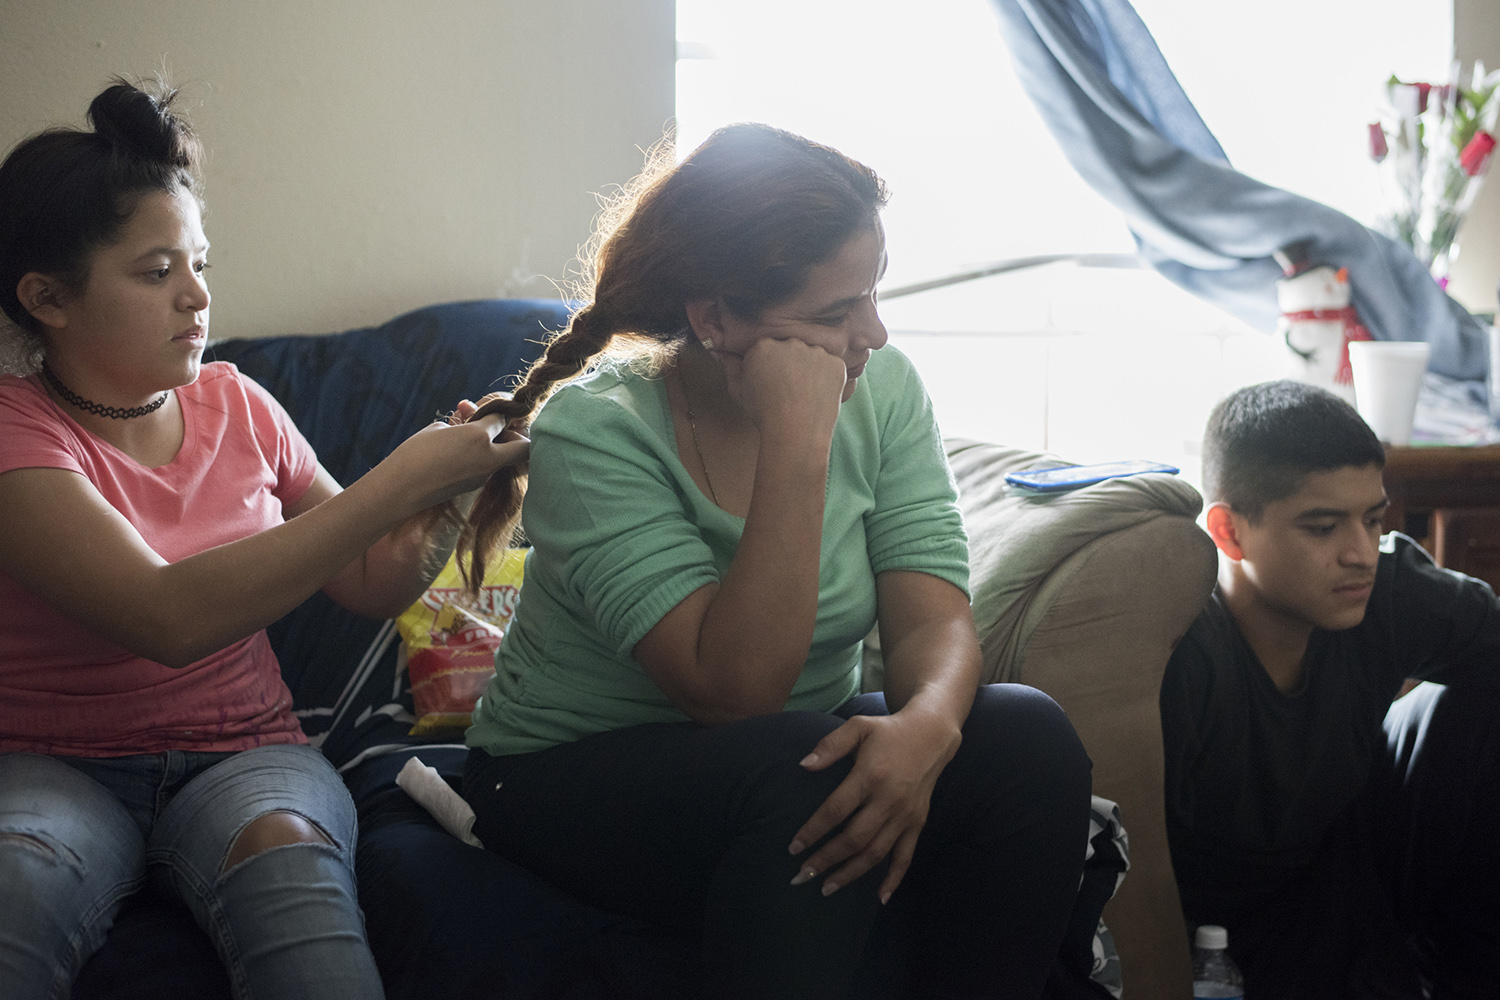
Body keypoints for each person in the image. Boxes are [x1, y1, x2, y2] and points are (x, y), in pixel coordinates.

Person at [454, 123, 1093, 1000]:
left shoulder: (888, 387)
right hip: (564, 771)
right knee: (809, 770)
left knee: (1026, 735)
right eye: (835, 314)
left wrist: (925, 732)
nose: (872, 333)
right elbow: (733, 692)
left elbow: (932, 618)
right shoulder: (595, 430)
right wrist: (799, 443)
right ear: (715, 318)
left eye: (872, 295)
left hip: (785, 743)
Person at [0, 80, 528, 998]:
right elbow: (165, 615)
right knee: (20, 878)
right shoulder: (17, 429)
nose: (197, 296)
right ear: (47, 297)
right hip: (51, 764)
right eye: (156, 271)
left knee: (290, 860)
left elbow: (367, 577)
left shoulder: (239, 403)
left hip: (248, 757)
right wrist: (398, 477)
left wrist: (446, 491)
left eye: (200, 262)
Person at [1161, 380, 1500, 998]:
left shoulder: (1388, 588)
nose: (1361, 553)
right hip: (1211, 936)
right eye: (1322, 528)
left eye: (1372, 520)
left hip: (1354, 880)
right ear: (1229, 533)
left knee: (1481, 698)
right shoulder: (1182, 653)